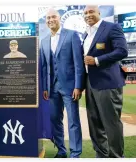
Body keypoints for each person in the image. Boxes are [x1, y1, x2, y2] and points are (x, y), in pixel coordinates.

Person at [82, 5, 128, 158]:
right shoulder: (85, 34)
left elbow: (122, 51)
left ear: (99, 13)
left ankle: (115, 157)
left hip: (107, 82)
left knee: (111, 123)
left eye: (91, 12)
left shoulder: (112, 27)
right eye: (85, 13)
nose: (88, 15)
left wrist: (96, 60)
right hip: (90, 83)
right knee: (95, 123)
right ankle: (101, 155)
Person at [40, 8, 84, 158]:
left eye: (53, 17)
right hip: (51, 88)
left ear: (59, 19)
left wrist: (78, 86)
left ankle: (76, 153)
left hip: (70, 87)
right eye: (48, 18)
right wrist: (45, 87)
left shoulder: (71, 35)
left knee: (73, 120)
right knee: (54, 119)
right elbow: (44, 66)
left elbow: (79, 63)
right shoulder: (44, 40)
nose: (51, 20)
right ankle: (61, 150)